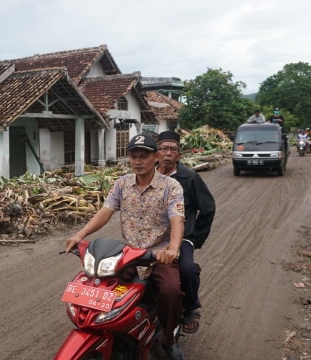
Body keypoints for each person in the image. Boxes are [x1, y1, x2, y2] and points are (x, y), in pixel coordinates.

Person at [65, 134, 186, 360]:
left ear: (156, 157)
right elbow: (105, 212)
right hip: (128, 255)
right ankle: (110, 330)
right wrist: (79, 235)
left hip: (157, 255)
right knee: (99, 284)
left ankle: (168, 340)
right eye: (134, 156)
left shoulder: (172, 186)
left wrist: (173, 250)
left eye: (144, 156)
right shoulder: (121, 183)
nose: (138, 161)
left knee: (171, 291)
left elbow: (177, 219)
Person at [156, 130, 216, 335]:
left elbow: (207, 208)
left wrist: (195, 237)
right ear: (156, 153)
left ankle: (191, 308)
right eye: (163, 149)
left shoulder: (189, 178)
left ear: (179, 155)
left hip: (182, 238)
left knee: (187, 268)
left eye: (173, 150)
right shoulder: (149, 176)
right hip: (152, 238)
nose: (167, 154)